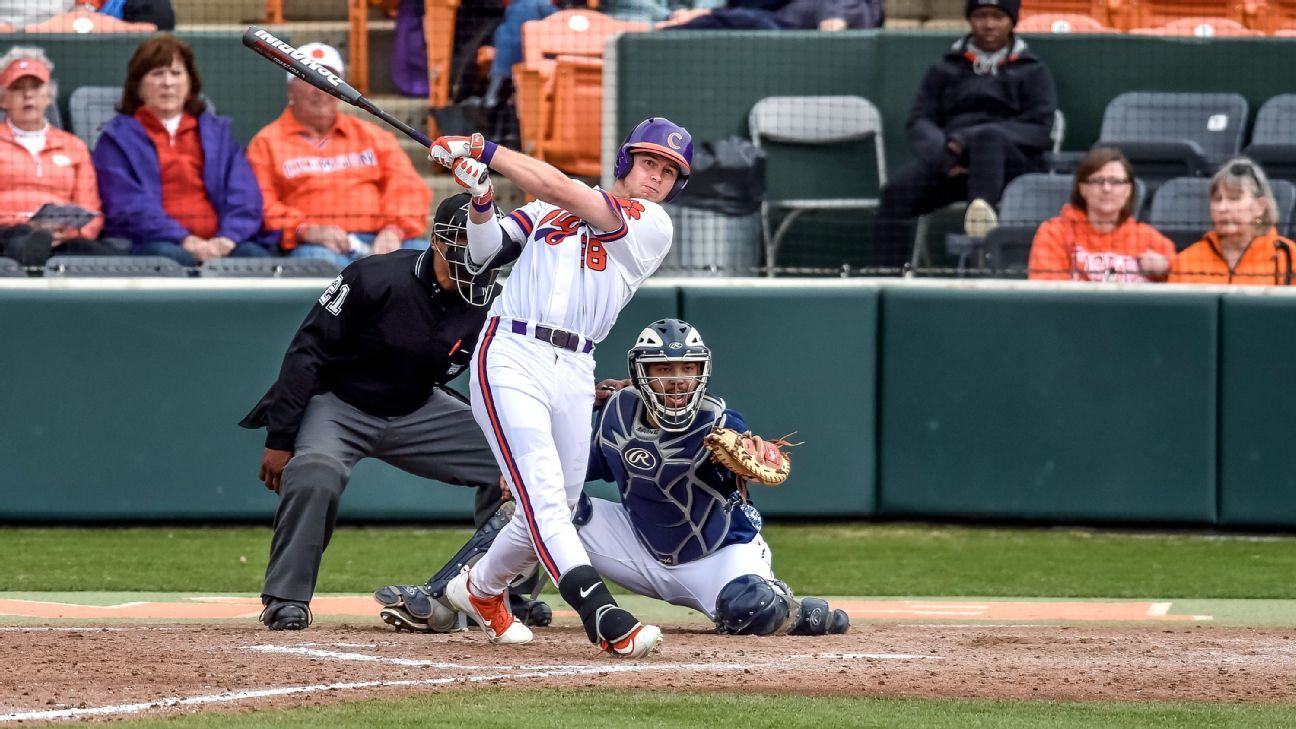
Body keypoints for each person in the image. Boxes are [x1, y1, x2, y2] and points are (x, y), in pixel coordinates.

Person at [377, 319, 850, 639]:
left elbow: (747, 466)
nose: (678, 380)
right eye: (664, 370)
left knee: (752, 610)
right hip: (637, 546)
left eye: (687, 369)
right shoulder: (616, 412)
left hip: (716, 556)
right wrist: (524, 473)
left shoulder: (720, 421)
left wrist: (746, 457)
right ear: (640, 374)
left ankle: (794, 609)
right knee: (540, 504)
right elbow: (573, 473)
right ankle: (443, 599)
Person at [424, 117, 691, 658]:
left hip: (575, 365)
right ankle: (602, 614)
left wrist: (482, 148)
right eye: (649, 164)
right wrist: (480, 198)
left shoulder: (650, 225)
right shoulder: (549, 209)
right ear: (625, 162)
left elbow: (556, 186)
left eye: (668, 172)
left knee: (556, 506)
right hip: (511, 352)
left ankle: (477, 591)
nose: (656, 177)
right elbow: (486, 250)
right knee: (544, 494)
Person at [239, 193, 557, 631]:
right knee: (314, 471)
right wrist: (279, 438)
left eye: (485, 242)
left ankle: (503, 591)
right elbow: (306, 353)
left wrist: (548, 419)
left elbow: (513, 373)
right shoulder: (374, 276)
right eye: (465, 239)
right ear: (438, 241)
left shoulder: (497, 303)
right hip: (339, 404)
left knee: (517, 463)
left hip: (418, 406)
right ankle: (285, 598)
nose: (476, 253)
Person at [872, 0, 1056, 270]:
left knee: (988, 136)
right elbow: (920, 120)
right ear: (970, 20)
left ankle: (979, 258)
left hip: (1011, 169)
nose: (989, 24)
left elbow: (1040, 130)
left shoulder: (1033, 70)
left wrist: (967, 139)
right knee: (895, 194)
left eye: (997, 17)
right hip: (952, 165)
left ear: (1012, 21)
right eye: (981, 16)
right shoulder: (944, 68)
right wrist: (943, 155)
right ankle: (886, 274)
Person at [247, 43, 433, 268]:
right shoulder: (267, 142)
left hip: (382, 240)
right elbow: (262, 205)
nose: (320, 89)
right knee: (324, 268)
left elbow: (408, 189)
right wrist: (305, 229)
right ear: (290, 89)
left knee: (429, 260)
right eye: (308, 78)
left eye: (329, 79)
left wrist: (394, 230)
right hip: (316, 248)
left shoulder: (373, 137)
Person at [92, 34, 269, 266]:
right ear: (138, 86)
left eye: (176, 73)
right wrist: (184, 239)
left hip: (221, 242)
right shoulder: (116, 138)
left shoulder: (218, 134)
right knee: (172, 260)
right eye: (157, 74)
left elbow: (245, 195)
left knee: (257, 260)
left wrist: (227, 238)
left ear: (190, 84)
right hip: (155, 242)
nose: (168, 83)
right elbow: (127, 206)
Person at [0, 47, 116, 266]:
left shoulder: (73, 146)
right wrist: (25, 223)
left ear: (49, 95)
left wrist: (69, 233)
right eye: (17, 88)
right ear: (3, 99)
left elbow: (90, 209)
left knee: (106, 258)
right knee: (17, 239)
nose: (28, 95)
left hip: (63, 236)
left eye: (35, 87)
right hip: (6, 233)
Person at [1027, 147, 1175, 282]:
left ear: (1129, 189)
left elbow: (1184, 278)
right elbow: (1047, 290)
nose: (1106, 188)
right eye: (1098, 181)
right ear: (1082, 189)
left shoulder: (1148, 239)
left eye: (1116, 181)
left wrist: (1166, 269)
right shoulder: (1054, 233)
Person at [1169, 158, 1296, 286]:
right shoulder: (1187, 260)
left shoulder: (1289, 256)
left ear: (1260, 207)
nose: (1222, 208)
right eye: (1217, 199)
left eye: (1234, 199)